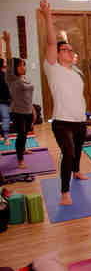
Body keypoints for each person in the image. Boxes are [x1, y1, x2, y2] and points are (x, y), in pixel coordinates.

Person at [39, 0, 88, 206]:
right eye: (65, 49)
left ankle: (76, 171)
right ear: (57, 54)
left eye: (71, 50)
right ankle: (64, 192)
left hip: (80, 120)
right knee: (68, 153)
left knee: (77, 150)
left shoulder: (75, 71)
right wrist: (47, 16)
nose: (70, 52)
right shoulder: (53, 68)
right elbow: (51, 43)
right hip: (62, 122)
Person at [3, 31, 35, 168]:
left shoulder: (24, 79)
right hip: (17, 112)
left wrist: (32, 109)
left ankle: (23, 149)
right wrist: (8, 42)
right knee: (21, 134)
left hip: (27, 111)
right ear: (15, 68)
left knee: (25, 133)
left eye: (24, 65)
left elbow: (28, 96)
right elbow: (9, 60)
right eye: (21, 65)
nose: (24, 67)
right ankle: (20, 159)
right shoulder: (12, 78)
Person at [0, 37, 10, 146]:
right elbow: (2, 55)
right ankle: (5, 137)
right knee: (5, 117)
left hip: (6, 100)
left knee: (6, 118)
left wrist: (3, 43)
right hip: (2, 100)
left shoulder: (7, 73)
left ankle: (6, 137)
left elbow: (3, 55)